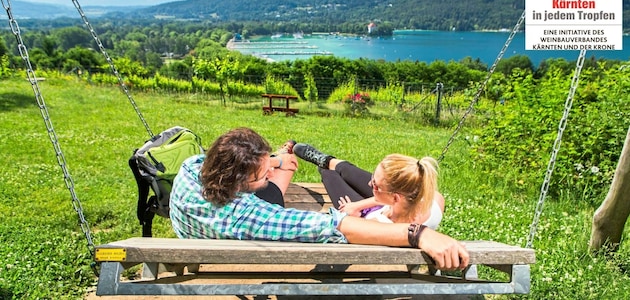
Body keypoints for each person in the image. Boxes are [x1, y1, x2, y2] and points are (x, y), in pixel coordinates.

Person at [169, 127, 469, 271]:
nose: (267, 177)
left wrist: (273, 162)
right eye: (262, 176)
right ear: (238, 182)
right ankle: (328, 163)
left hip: (194, 241)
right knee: (334, 175)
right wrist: (419, 233)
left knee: (330, 172)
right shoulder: (252, 216)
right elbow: (332, 226)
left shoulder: (190, 169)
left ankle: (327, 163)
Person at [292, 143, 445, 229]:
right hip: (383, 204)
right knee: (348, 171)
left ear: (395, 197)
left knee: (329, 175)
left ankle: (323, 165)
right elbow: (435, 196)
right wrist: (358, 204)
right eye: (373, 177)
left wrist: (352, 214)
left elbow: (351, 228)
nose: (369, 183)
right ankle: (326, 159)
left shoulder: (382, 226)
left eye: (375, 184)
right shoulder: (433, 204)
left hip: (365, 215)